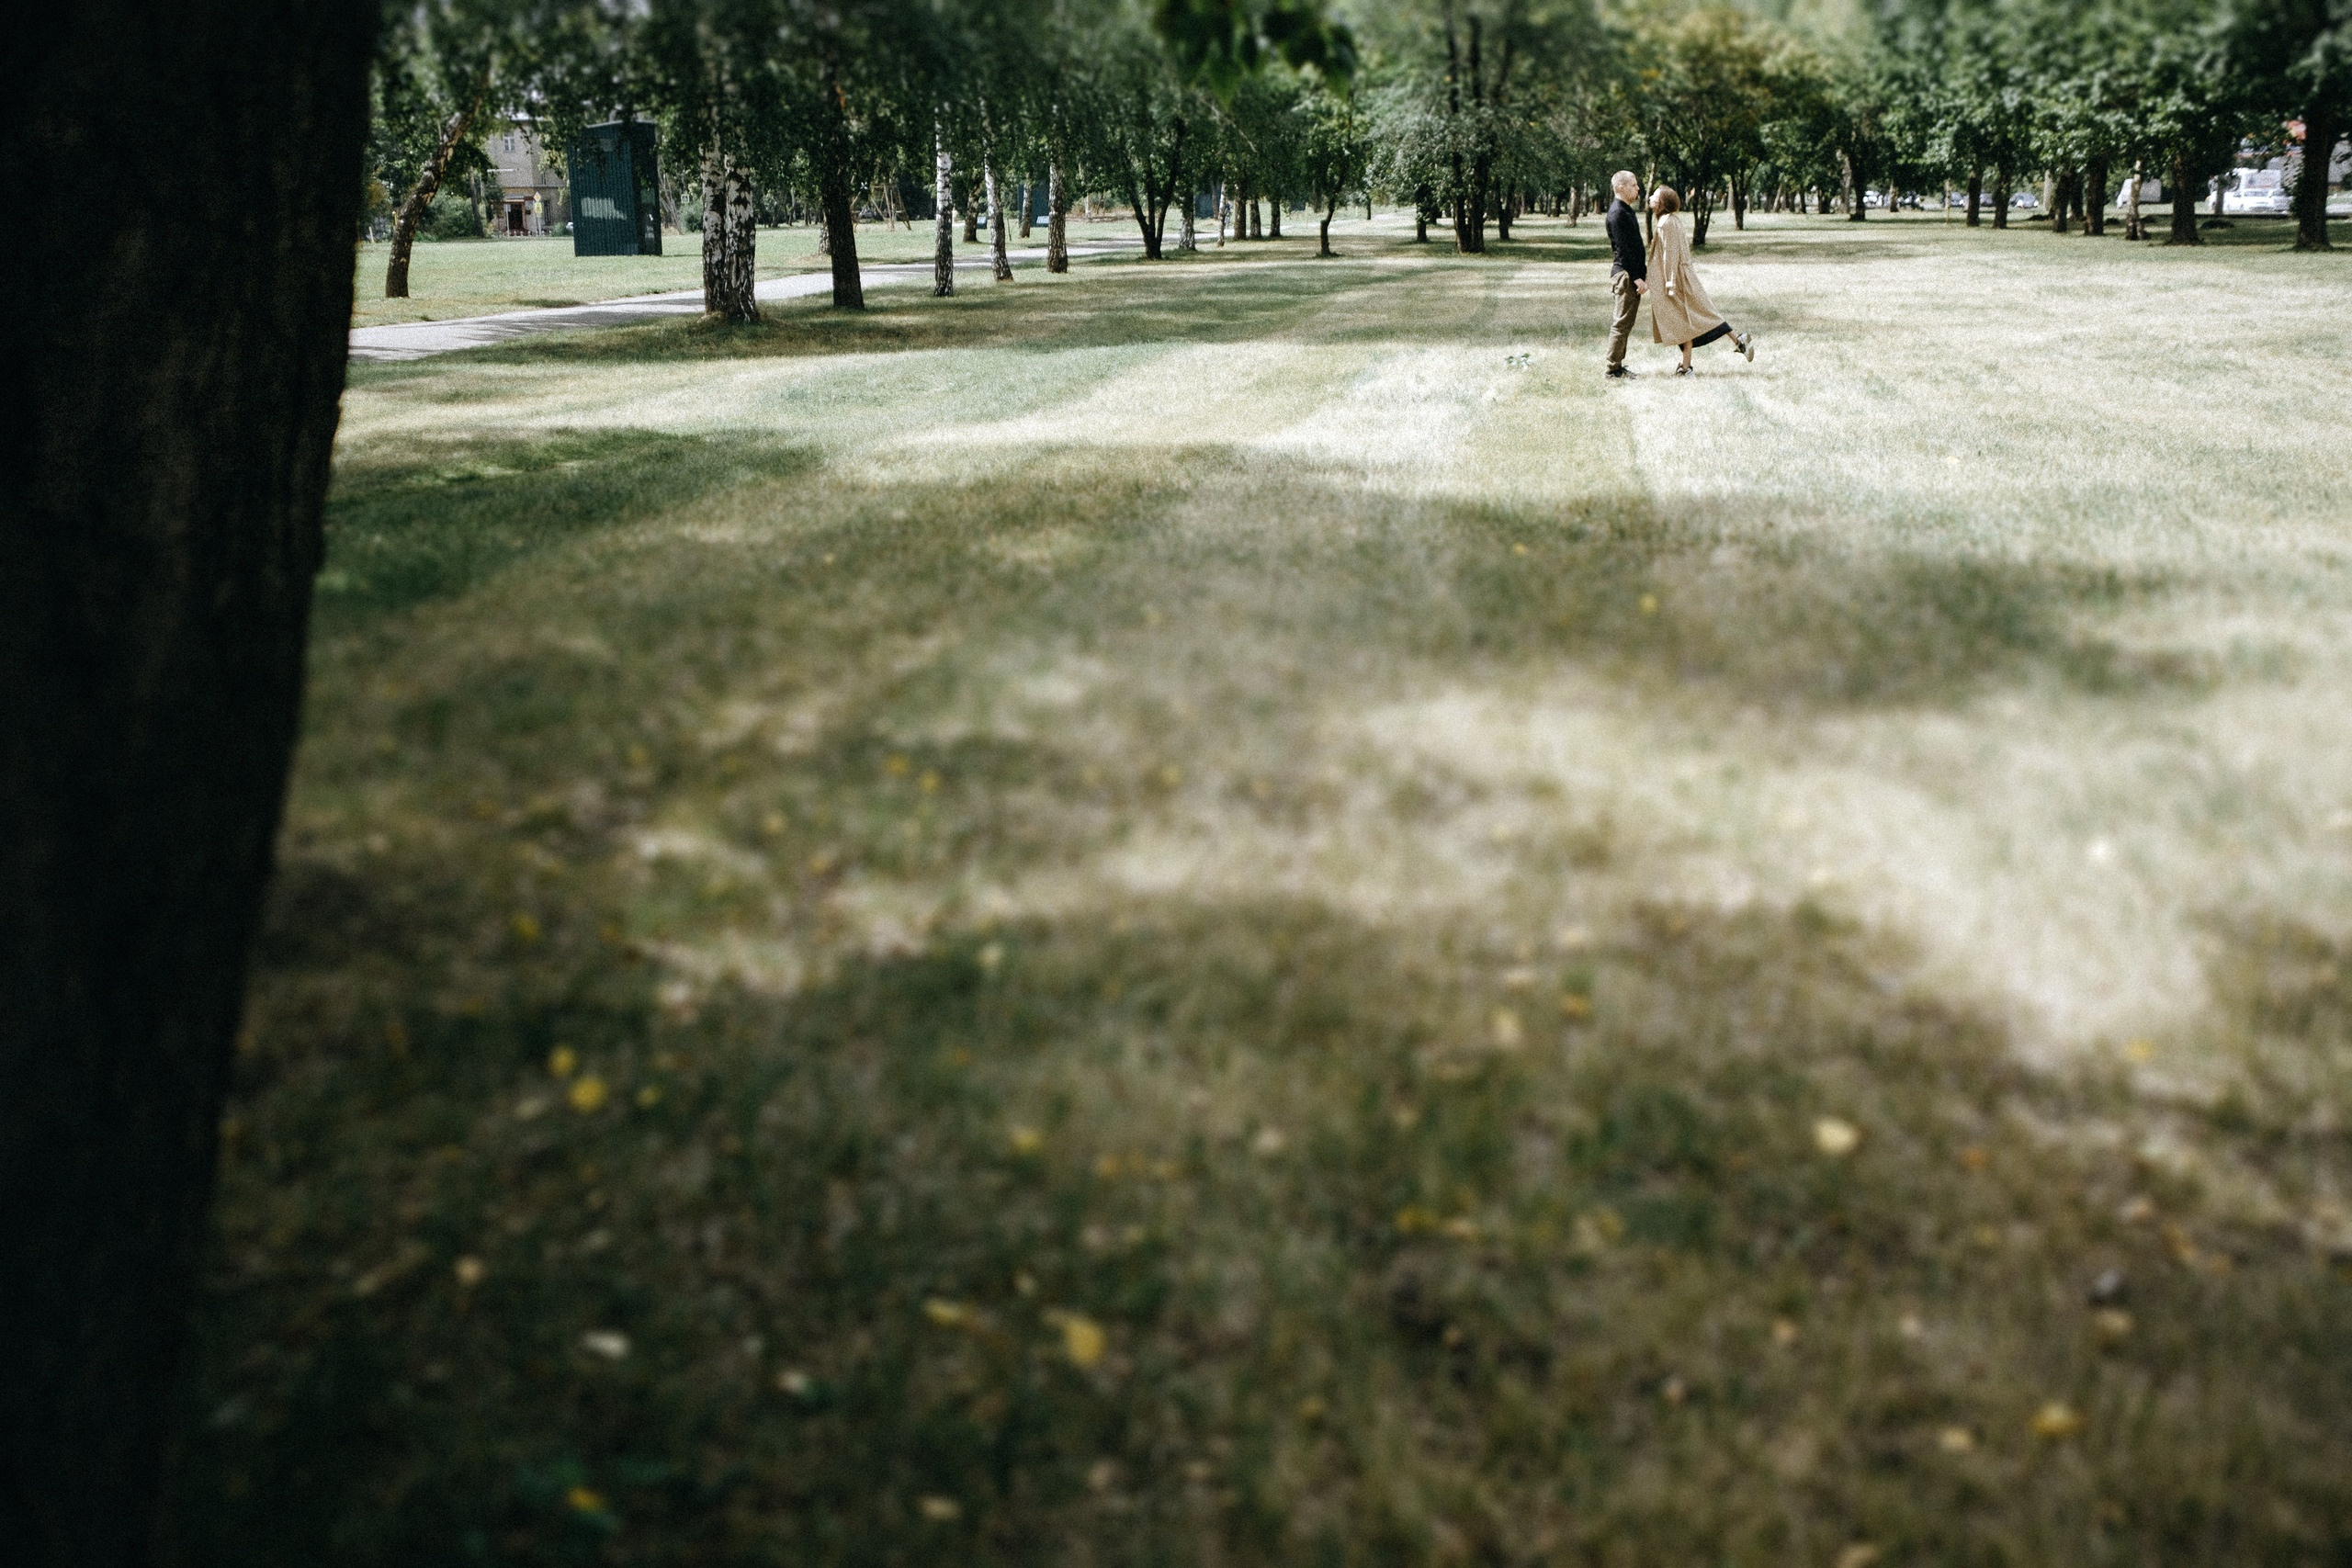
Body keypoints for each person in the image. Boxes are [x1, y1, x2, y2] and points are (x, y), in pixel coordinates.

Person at [1647, 186, 1754, 375]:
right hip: (1682, 277)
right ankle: (1734, 342)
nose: (1650, 198)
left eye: (1654, 196)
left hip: (1677, 280)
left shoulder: (1666, 224)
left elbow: (1670, 256)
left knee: (1693, 318)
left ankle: (1736, 340)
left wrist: (1670, 284)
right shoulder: (1671, 221)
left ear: (1662, 202)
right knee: (1690, 320)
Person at [1603, 170, 1647, 379]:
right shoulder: (1617, 213)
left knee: (1626, 323)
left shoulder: (1626, 210)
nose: (1637, 188)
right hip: (1625, 275)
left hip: (1632, 274)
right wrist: (1637, 276)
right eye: (1633, 185)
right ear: (1621, 188)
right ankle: (1612, 370)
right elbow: (1623, 250)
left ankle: (1618, 366)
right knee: (1621, 323)